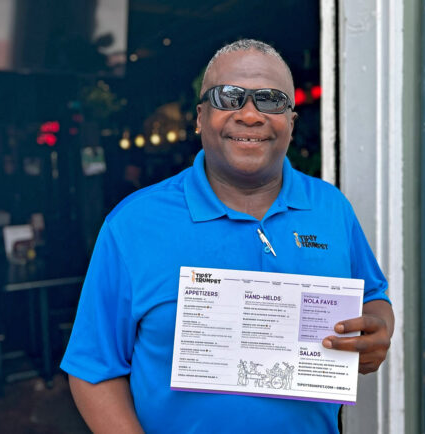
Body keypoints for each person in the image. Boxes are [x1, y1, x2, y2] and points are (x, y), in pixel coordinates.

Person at [61, 39, 394, 433]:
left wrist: (377, 329)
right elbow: (93, 368)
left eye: (270, 100)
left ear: (291, 120)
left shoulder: (330, 208)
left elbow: (373, 295)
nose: (250, 115)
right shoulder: (133, 225)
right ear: (201, 117)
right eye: (229, 97)